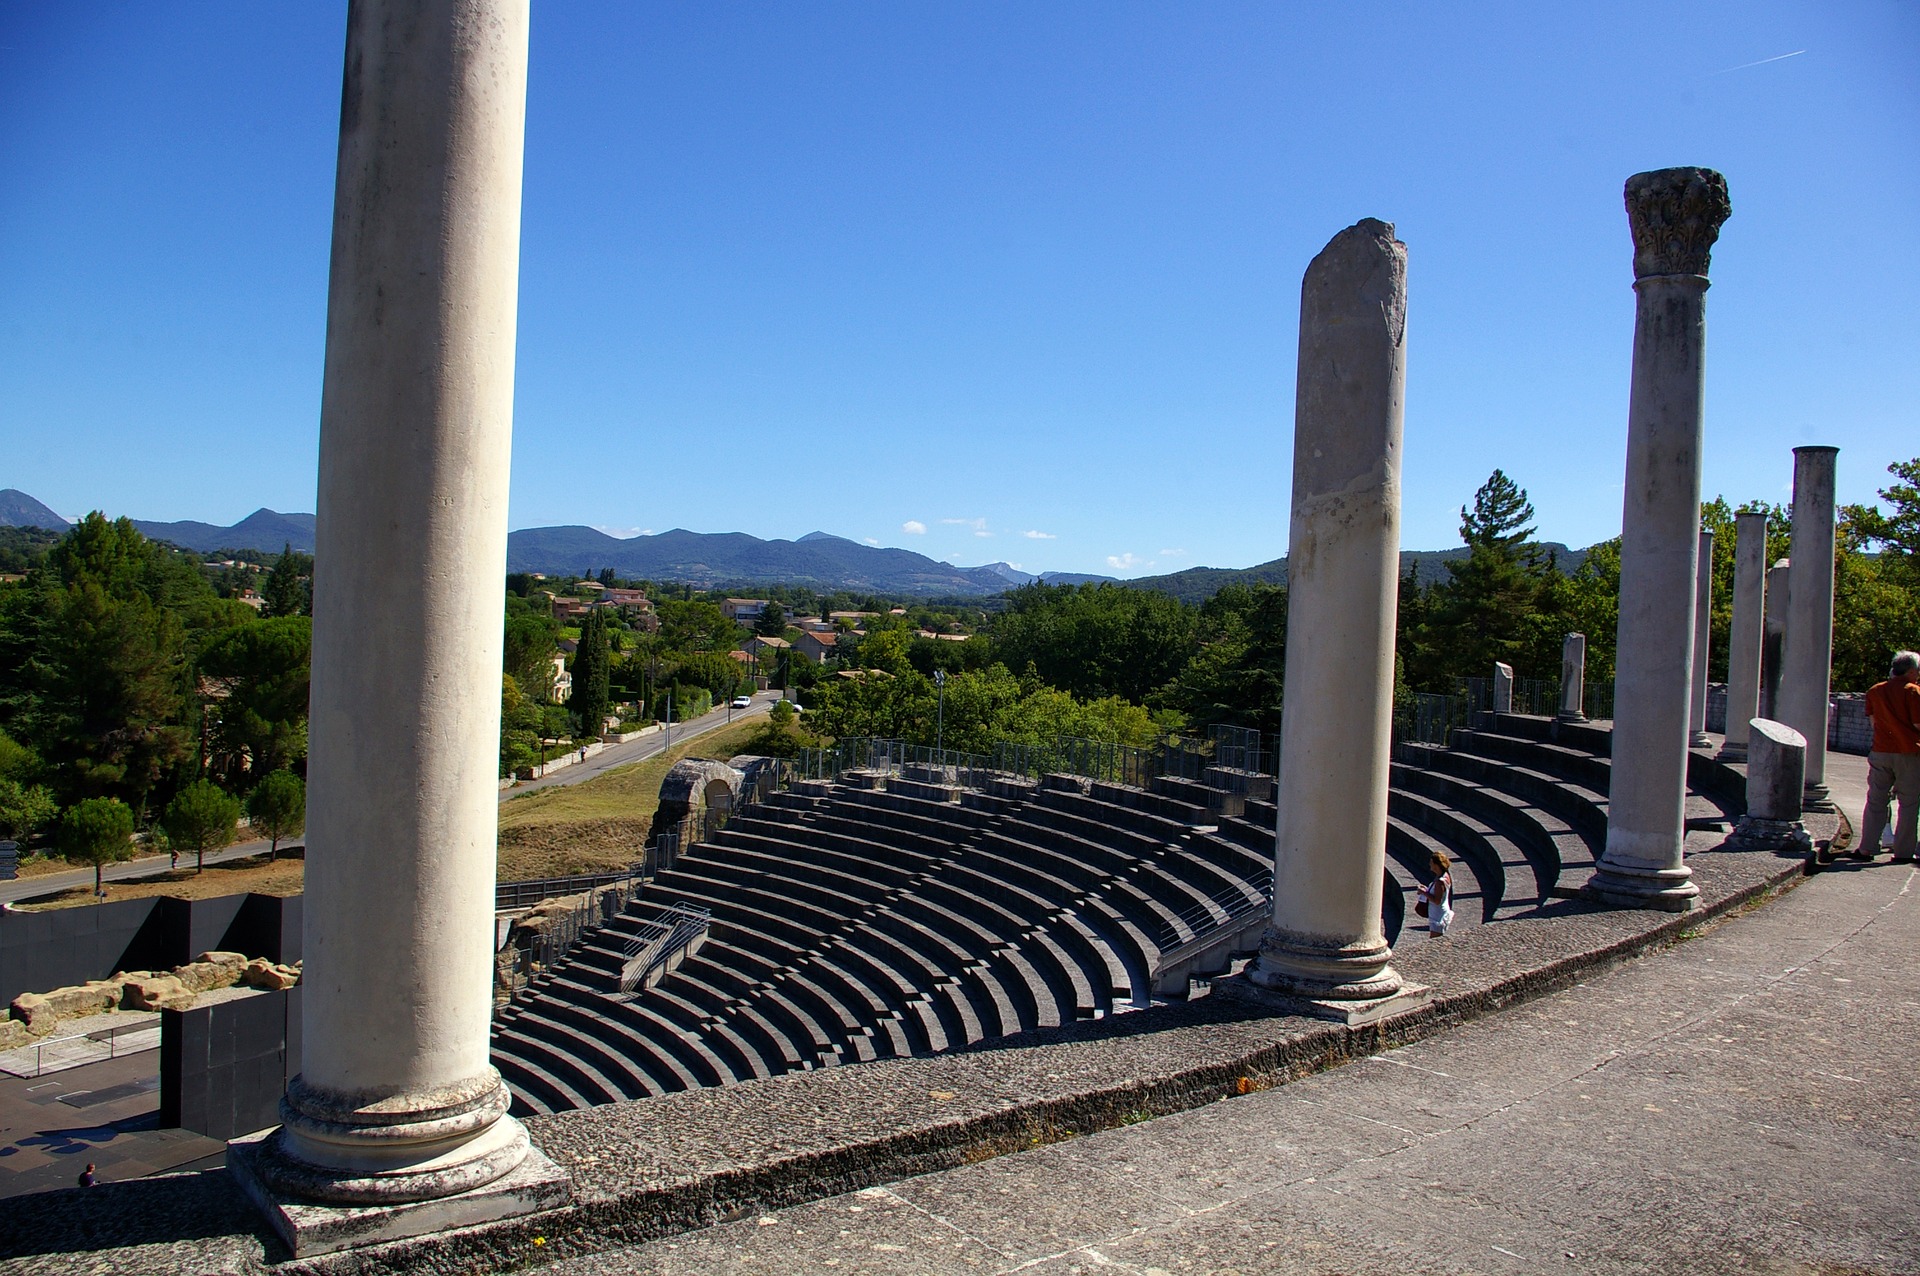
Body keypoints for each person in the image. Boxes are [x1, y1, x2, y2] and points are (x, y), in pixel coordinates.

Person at [1857, 650, 1920, 864]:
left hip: (1881, 751)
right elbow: (1917, 724)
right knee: (1909, 803)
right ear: (1911, 671)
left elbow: (1874, 723)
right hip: (1908, 752)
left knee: (1876, 800)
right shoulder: (1913, 692)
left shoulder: (1875, 691)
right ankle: (1903, 852)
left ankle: (1867, 847)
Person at [1418, 851, 1455, 936]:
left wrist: (1424, 892)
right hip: (1438, 913)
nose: (1429, 864)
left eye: (1431, 862)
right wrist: (1427, 890)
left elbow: (1437, 901)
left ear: (1436, 865)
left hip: (1438, 916)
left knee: (1434, 940)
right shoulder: (1444, 876)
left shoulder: (1440, 882)